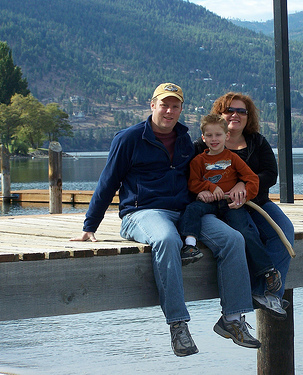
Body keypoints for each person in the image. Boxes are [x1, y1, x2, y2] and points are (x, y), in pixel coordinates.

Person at [70, 83, 261, 357]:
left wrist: (232, 185)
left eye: (175, 106)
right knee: (167, 238)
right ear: (152, 105)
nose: (169, 111)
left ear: (181, 109)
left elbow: (210, 170)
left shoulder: (185, 139)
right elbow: (107, 182)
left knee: (232, 239)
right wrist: (90, 227)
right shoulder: (129, 139)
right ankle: (178, 324)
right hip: (142, 213)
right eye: (164, 104)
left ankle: (232, 319)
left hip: (184, 212)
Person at [194, 92, 295, 320]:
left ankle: (270, 295)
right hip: (226, 207)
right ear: (218, 114)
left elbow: (270, 174)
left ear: (248, 117)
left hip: (258, 202)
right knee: (247, 234)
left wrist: (244, 183)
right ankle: (258, 293)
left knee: (285, 232)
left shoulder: (257, 141)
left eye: (242, 111)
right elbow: (192, 176)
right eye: (229, 110)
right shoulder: (205, 143)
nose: (235, 115)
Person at [178, 114, 282, 295]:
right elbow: (192, 183)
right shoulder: (198, 161)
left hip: (231, 203)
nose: (214, 139)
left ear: (226, 136)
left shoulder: (233, 159)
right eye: (209, 136)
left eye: (218, 135)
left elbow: (252, 180)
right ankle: (190, 245)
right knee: (191, 210)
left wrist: (243, 196)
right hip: (210, 203)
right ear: (203, 138)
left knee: (245, 231)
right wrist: (208, 188)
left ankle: (268, 270)